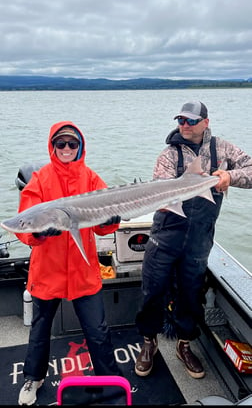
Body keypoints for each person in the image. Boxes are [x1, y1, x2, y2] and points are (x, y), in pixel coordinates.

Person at [135, 101, 252, 379]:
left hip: (200, 239)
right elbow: (160, 187)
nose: (184, 125)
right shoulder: (168, 155)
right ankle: (148, 343)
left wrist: (229, 176)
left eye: (190, 120)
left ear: (205, 122)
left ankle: (184, 345)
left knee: (191, 294)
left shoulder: (222, 149)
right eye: (181, 120)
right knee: (152, 290)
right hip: (166, 235)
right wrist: (160, 198)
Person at [16, 121, 122, 406]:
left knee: (98, 331)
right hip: (47, 271)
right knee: (39, 330)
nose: (66, 149)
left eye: (72, 144)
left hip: (83, 269)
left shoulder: (91, 178)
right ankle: (33, 377)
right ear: (53, 146)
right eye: (60, 144)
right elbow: (23, 222)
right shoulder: (39, 179)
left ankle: (110, 382)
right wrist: (37, 233)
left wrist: (111, 222)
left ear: (80, 147)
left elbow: (102, 226)